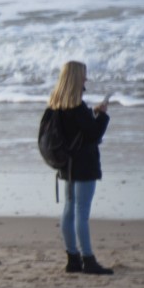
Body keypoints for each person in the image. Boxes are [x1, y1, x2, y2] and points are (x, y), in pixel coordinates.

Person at [47, 61, 113, 275]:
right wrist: (102, 115)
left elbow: (78, 130)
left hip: (66, 163)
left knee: (69, 208)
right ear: (76, 78)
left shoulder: (57, 104)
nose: (86, 79)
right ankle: (88, 259)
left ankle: (72, 257)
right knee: (81, 212)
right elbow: (94, 133)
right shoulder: (77, 107)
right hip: (83, 164)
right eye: (84, 75)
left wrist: (92, 114)